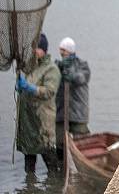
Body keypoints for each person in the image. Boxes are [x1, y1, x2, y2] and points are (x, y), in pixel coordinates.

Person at [16, 32, 62, 173]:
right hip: (27, 123)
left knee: (51, 164)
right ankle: (29, 187)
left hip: (42, 124)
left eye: (36, 48)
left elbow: (49, 91)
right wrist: (20, 87)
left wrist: (30, 88)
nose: (33, 51)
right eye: (32, 48)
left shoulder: (52, 69)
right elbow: (24, 86)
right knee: (29, 165)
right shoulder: (30, 67)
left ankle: (54, 187)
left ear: (43, 49)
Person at [55, 36, 91, 159]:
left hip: (78, 112)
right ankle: (60, 169)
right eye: (60, 50)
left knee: (82, 141)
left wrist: (70, 73)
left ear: (70, 51)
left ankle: (83, 165)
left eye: (64, 51)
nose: (61, 53)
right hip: (61, 112)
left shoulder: (82, 65)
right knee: (59, 142)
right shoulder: (57, 66)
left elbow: (81, 78)